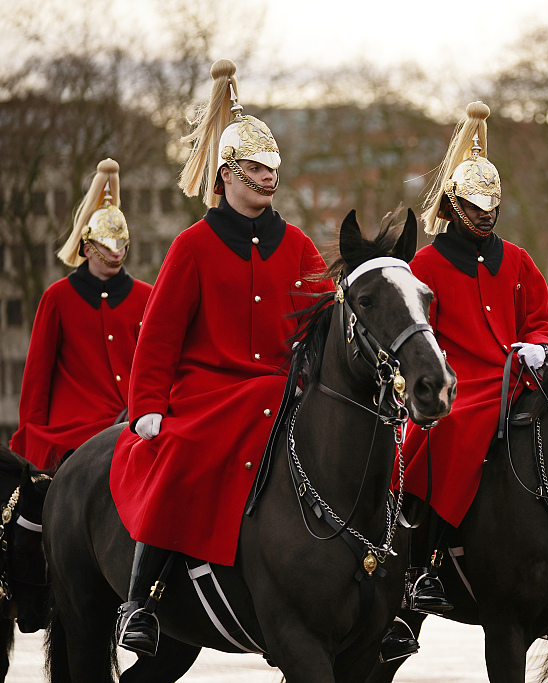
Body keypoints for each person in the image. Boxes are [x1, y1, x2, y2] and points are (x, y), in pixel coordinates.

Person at [108, 59, 332, 656]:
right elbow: (157, 339)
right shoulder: (192, 246)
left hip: (284, 388)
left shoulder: (300, 245)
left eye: (273, 168)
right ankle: (141, 598)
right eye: (256, 168)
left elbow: (329, 319)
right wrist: (147, 406)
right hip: (207, 392)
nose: (268, 178)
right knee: (178, 453)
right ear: (228, 173)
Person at [395, 102, 548, 614]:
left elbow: (544, 319)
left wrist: (542, 347)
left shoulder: (515, 258)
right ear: (452, 206)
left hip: (518, 379)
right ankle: (426, 561)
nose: (486, 216)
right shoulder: (425, 262)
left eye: (492, 207)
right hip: (457, 386)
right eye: (476, 207)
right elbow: (419, 336)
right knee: (450, 432)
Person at [11, 159, 152, 471]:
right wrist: (31, 439)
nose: (116, 251)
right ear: (87, 247)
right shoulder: (57, 297)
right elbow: (37, 378)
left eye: (120, 244)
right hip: (72, 433)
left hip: (133, 424)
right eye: (107, 244)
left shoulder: (147, 296)